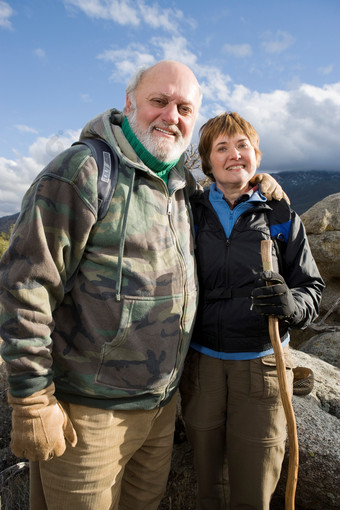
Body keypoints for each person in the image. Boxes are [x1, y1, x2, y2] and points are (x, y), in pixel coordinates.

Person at [0, 62, 285, 510]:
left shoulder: (180, 184)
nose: (172, 115)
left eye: (185, 108)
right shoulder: (83, 171)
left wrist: (257, 183)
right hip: (89, 415)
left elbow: (225, 196)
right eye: (160, 101)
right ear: (130, 103)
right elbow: (25, 285)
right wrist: (32, 401)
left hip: (160, 411)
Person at [180, 112, 324, 510]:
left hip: (262, 364)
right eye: (221, 147)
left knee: (255, 489)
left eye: (242, 145)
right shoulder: (188, 211)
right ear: (208, 163)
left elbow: (312, 287)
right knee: (207, 485)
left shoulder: (280, 216)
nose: (234, 155)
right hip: (201, 364)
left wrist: (291, 305)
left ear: (256, 155)